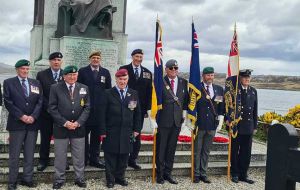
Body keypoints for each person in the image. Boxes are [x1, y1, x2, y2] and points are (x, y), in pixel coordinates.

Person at [48, 65, 90, 189]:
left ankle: (79, 178)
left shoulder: (84, 88)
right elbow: (52, 108)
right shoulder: (55, 88)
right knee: (60, 156)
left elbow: (87, 107)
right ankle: (59, 179)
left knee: (79, 155)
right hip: (61, 128)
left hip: (78, 128)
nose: (72, 77)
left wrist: (78, 122)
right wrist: (65, 122)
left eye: (75, 74)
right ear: (64, 76)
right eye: (70, 75)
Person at [3, 59, 43, 190]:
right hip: (16, 124)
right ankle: (12, 181)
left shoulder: (35, 83)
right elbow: (8, 102)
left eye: (27, 69)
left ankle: (27, 178)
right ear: (17, 69)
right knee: (14, 155)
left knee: (29, 154)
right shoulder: (9, 83)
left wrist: (33, 116)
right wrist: (22, 116)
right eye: (22, 69)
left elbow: (40, 102)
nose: (25, 71)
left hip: (32, 124)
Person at [100, 69, 142, 188]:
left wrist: (137, 129)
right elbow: (101, 114)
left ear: (127, 79)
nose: (122, 82)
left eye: (124, 79)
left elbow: (137, 113)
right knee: (110, 157)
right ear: (116, 79)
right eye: (120, 79)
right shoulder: (108, 93)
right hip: (111, 131)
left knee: (124, 156)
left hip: (127, 131)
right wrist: (102, 131)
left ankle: (120, 177)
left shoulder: (133, 93)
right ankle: (110, 179)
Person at [154, 59, 189, 184]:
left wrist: (184, 118)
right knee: (161, 148)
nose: (174, 70)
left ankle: (168, 173)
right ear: (166, 69)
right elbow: (156, 100)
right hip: (163, 121)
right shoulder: (159, 82)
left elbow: (186, 102)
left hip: (176, 121)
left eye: (176, 68)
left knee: (171, 149)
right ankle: (160, 174)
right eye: (171, 68)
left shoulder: (184, 82)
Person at [119, 49, 152, 170]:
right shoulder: (124, 69)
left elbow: (149, 92)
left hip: (140, 110)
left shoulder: (147, 72)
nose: (139, 59)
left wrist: (147, 110)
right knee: (123, 133)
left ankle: (132, 159)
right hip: (124, 108)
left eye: (141, 57)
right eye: (137, 56)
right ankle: (121, 157)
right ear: (132, 57)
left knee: (136, 134)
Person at [78, 50, 111, 168]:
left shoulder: (105, 72)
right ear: (90, 59)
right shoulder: (82, 71)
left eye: (97, 58)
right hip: (85, 110)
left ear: (100, 59)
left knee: (97, 138)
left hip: (99, 111)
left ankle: (95, 159)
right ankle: (84, 159)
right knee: (84, 137)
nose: (95, 60)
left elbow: (108, 91)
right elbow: (78, 89)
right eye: (93, 58)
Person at [192, 67, 225, 183]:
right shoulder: (197, 89)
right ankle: (196, 174)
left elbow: (221, 108)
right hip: (199, 125)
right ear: (203, 76)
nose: (210, 77)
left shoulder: (219, 89)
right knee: (197, 150)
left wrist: (220, 121)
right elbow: (191, 106)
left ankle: (203, 173)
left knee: (206, 151)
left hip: (212, 125)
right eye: (208, 75)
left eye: (211, 75)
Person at [36, 52, 64, 172]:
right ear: (50, 62)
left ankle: (61, 162)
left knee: (60, 140)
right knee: (45, 138)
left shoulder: (66, 74)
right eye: (54, 60)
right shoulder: (41, 75)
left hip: (62, 115)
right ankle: (43, 161)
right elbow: (40, 95)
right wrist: (51, 108)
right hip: (46, 113)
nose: (56, 62)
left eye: (58, 60)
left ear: (61, 61)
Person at [230, 69, 257, 184]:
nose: (247, 79)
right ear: (240, 78)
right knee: (235, 151)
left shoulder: (253, 91)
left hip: (249, 126)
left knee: (246, 152)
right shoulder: (234, 91)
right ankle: (235, 173)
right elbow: (229, 108)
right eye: (244, 77)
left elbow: (255, 110)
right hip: (237, 126)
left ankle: (243, 174)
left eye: (248, 77)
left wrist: (255, 126)